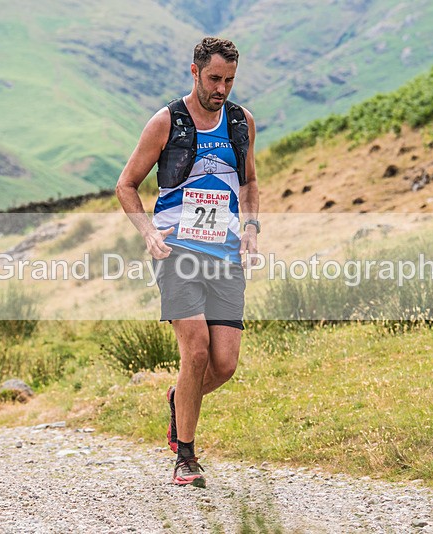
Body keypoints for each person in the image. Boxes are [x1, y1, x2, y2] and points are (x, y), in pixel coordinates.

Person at [116, 37, 259, 488]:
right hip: (178, 252)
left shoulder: (240, 122)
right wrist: (149, 231)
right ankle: (186, 457)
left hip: (226, 253)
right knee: (195, 350)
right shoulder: (166, 122)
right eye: (215, 79)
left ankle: (179, 399)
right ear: (194, 72)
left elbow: (251, 181)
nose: (222, 89)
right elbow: (126, 185)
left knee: (224, 364)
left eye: (230, 80)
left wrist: (252, 228)